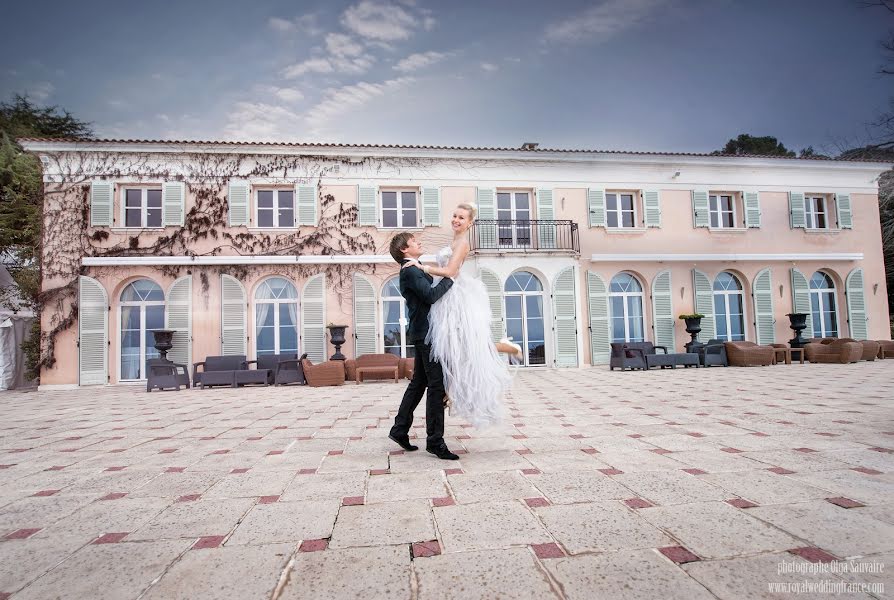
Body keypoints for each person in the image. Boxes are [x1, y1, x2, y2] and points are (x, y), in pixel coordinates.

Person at [402, 203, 521, 428]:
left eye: (461, 217)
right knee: (449, 347)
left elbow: (450, 272)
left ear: (470, 223)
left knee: (461, 346)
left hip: (454, 297)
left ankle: (505, 348)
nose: (456, 220)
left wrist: (421, 267)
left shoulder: (463, 243)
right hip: (444, 296)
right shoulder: (454, 241)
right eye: (454, 216)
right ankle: (447, 389)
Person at [387, 231, 459, 460]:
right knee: (436, 386)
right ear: (404, 250)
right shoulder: (410, 270)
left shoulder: (415, 268)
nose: (419, 242)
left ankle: (399, 429)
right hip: (427, 335)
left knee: (419, 383)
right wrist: (450, 278)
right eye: (414, 242)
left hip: (422, 333)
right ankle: (435, 441)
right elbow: (429, 296)